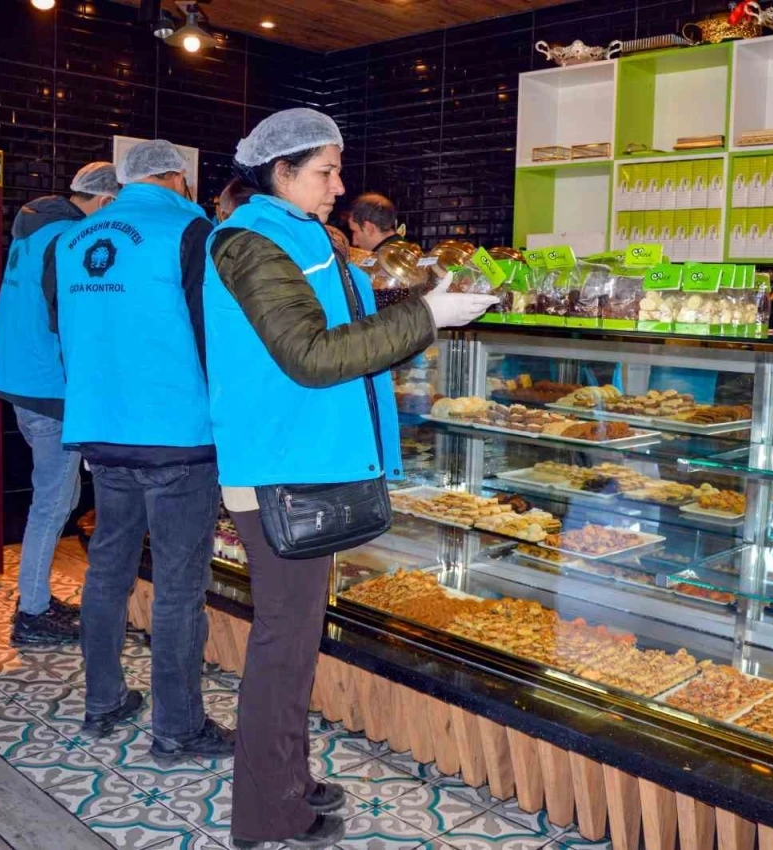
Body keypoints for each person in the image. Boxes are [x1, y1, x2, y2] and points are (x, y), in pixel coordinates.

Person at [203, 108, 496, 849]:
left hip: (308, 459)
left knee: (297, 641)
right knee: (283, 645)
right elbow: (310, 354)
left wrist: (427, 300)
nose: (339, 186)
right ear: (280, 172)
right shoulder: (249, 242)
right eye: (325, 171)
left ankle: (289, 781)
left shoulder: (300, 235)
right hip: (278, 467)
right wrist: (428, 316)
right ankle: (267, 813)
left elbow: (343, 329)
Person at [54, 140, 232, 758]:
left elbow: (64, 326)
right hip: (176, 436)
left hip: (101, 429)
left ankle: (103, 699)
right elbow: (214, 336)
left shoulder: (70, 240)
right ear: (177, 177)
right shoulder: (193, 232)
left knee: (107, 569)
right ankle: (178, 729)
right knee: (179, 587)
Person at [0, 161, 119, 645]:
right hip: (49, 387)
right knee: (53, 501)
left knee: (58, 496)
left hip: (19, 379)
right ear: (105, 201)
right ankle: (32, 614)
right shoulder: (68, 240)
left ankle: (36, 597)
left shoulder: (34, 231)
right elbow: (72, 321)